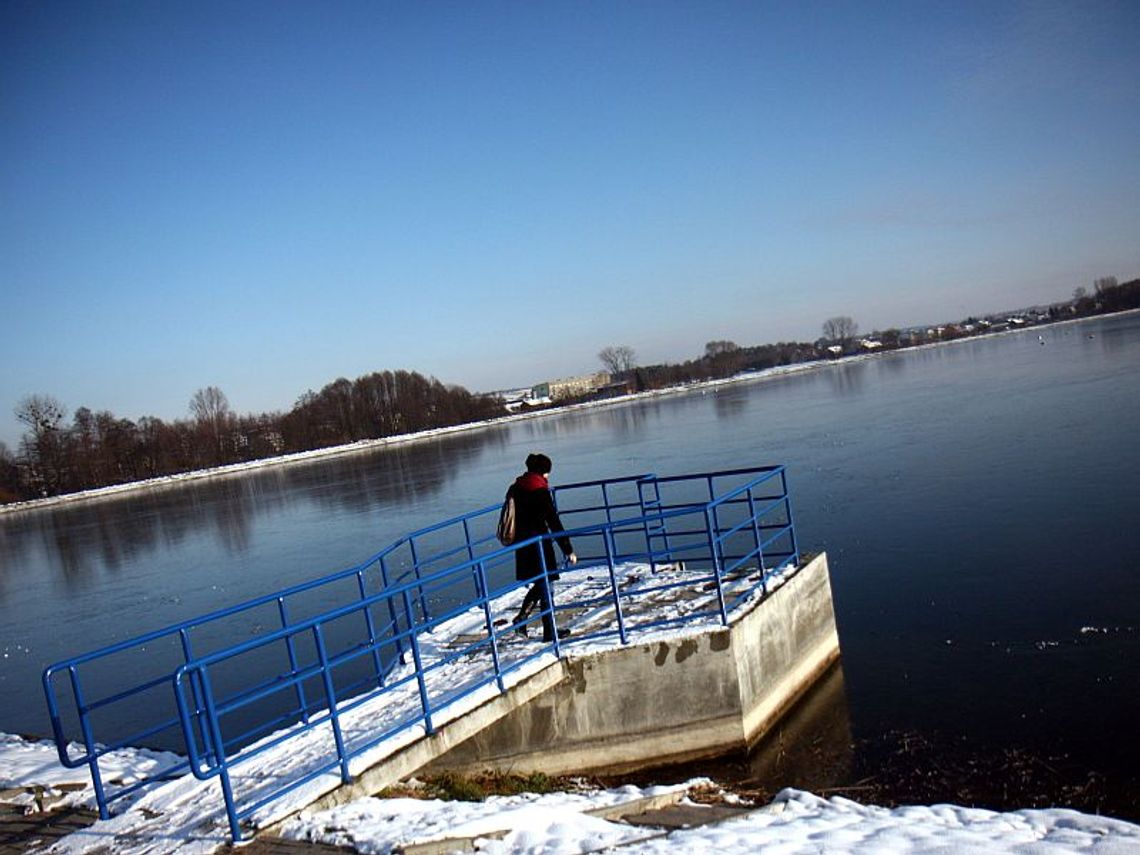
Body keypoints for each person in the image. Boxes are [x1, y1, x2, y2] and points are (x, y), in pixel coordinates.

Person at [508, 453, 577, 642]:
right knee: (545, 584)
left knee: (542, 583)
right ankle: (544, 629)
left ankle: (526, 622)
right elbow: (553, 521)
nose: (548, 477)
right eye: (547, 473)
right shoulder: (539, 490)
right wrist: (568, 548)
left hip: (523, 544)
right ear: (542, 472)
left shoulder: (516, 487)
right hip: (539, 543)